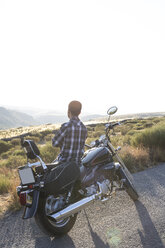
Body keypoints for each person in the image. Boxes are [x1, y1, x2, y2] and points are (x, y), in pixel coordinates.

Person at [45, 101, 87, 196]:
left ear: (68, 111)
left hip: (64, 163)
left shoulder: (66, 126)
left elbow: (54, 143)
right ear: (80, 112)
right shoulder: (84, 128)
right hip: (77, 164)